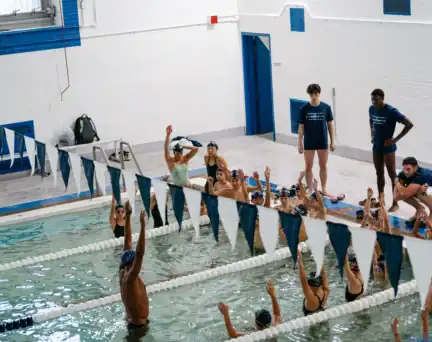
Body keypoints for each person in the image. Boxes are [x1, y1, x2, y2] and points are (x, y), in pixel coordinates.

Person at [369, 89, 414, 212]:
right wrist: (372, 135)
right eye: (372, 99)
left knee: (392, 175)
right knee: (379, 173)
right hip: (377, 147)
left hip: (388, 148)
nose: (374, 102)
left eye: (376, 99)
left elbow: (409, 124)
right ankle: (381, 199)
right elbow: (371, 120)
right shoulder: (371, 109)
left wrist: (395, 140)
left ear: (383, 99)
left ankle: (395, 203)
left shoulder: (391, 111)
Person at [298, 83, 335, 196]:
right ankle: (310, 189)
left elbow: (330, 126)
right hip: (309, 141)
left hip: (322, 140)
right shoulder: (304, 109)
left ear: (319, 93)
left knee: (323, 165)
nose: (314, 97)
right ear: (309, 95)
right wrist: (300, 143)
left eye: (316, 94)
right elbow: (301, 127)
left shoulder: (326, 108)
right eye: (311, 94)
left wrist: (332, 141)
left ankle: (323, 189)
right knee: (308, 166)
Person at [119, 202, 149, 340]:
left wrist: (128, 215)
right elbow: (140, 253)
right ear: (131, 264)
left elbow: (128, 242)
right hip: (138, 329)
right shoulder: (130, 278)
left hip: (134, 324)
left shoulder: (124, 271)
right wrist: (143, 226)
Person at [297, 248, 329, 316]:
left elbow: (303, 279)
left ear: (309, 285)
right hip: (323, 316)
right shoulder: (325, 291)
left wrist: (299, 260)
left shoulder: (310, 297)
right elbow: (323, 273)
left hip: (312, 323)